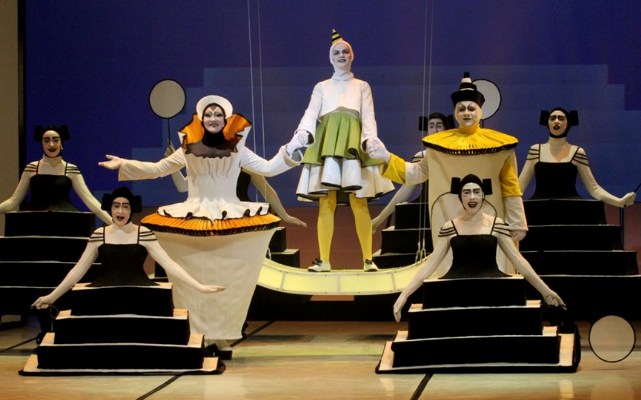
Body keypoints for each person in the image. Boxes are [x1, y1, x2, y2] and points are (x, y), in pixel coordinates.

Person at [99, 95, 306, 359]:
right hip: (193, 217)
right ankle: (199, 334)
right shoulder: (187, 147)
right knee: (193, 279)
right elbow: (158, 168)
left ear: (226, 119)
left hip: (230, 217)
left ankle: (222, 336)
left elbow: (268, 168)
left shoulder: (238, 148)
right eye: (208, 114)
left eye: (218, 114)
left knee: (228, 279)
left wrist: (293, 149)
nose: (213, 119)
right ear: (201, 118)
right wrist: (125, 165)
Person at [366, 72, 528, 275]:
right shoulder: (437, 146)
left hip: (491, 214)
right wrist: (387, 158)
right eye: (461, 109)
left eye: (471, 108)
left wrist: (517, 221)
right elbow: (416, 173)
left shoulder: (501, 145)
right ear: (455, 113)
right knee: (453, 263)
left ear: (480, 111)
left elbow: (510, 186)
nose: (466, 112)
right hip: (452, 215)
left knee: (493, 262)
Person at [392, 174, 565, 322]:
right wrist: (404, 294)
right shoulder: (449, 227)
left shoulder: (496, 224)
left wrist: (545, 290)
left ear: (483, 195)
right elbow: (430, 265)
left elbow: (518, 260)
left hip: (492, 287)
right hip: (457, 289)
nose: (472, 197)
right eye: (466, 192)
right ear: (460, 197)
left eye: (476, 192)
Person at [294, 29, 394, 272]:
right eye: (336, 52)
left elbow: (368, 115)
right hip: (327, 142)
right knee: (326, 201)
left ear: (352, 56)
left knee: (359, 200)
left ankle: (368, 259)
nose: (341, 55)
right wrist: (303, 133)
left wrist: (370, 139)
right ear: (330, 58)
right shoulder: (322, 86)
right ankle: (324, 260)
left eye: (345, 52)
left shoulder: (362, 86)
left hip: (352, 143)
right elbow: (310, 113)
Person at [31, 186, 224, 309]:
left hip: (138, 291)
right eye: (116, 206)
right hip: (104, 292)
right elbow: (78, 269)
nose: (120, 211)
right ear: (110, 208)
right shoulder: (99, 234)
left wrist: (199, 286)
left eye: (125, 206)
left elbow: (169, 264)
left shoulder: (144, 233)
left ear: (132, 209)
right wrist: (52, 296)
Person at [165, 142, 306, 227]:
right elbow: (182, 186)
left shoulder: (242, 160)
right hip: (213, 215)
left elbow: (267, 191)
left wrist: (285, 216)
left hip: (241, 215)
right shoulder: (204, 162)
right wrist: (172, 164)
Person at [519, 107, 636, 206]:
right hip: (539, 208)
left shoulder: (577, 152)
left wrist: (619, 202)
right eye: (552, 118)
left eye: (561, 118)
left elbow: (594, 188)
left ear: (568, 123)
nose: (556, 121)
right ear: (547, 122)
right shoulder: (535, 151)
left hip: (571, 208)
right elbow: (519, 187)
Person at [0, 124, 112, 225]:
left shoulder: (71, 169)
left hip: (63, 222)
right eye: (46, 141)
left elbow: (90, 200)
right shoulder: (31, 168)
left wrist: (114, 223)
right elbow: (13, 201)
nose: (51, 144)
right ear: (42, 144)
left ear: (61, 143)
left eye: (55, 140)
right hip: (33, 222)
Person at [371, 112, 453, 232]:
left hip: (450, 206)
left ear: (446, 129)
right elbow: (407, 188)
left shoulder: (455, 154)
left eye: (439, 126)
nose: (435, 130)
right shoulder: (422, 156)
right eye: (431, 126)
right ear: (427, 131)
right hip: (425, 207)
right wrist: (380, 218)